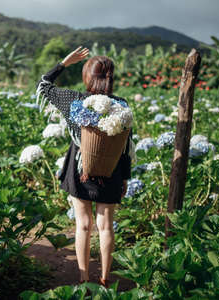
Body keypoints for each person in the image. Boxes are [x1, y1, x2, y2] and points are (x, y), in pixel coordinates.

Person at [36, 46, 134, 287]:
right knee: (105, 226)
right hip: (112, 170)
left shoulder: (75, 100)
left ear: (87, 77)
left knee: (83, 225)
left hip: (80, 170)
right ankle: (104, 280)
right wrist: (125, 177)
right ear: (110, 78)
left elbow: (43, 85)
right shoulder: (121, 105)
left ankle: (82, 279)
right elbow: (127, 146)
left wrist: (63, 63)